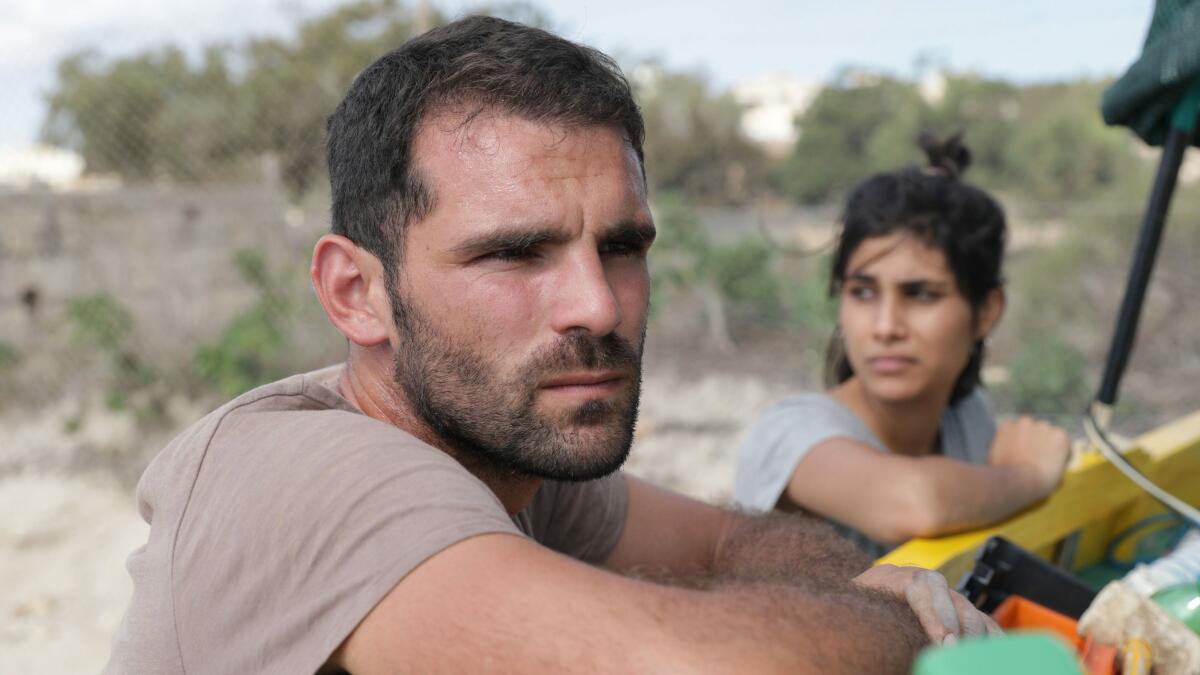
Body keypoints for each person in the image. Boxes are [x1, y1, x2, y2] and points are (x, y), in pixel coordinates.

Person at [104, 18, 997, 675]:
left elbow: (736, 541)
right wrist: (904, 626)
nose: (597, 305)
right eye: (513, 252)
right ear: (357, 292)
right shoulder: (309, 474)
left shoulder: (503, 451)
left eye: (622, 246)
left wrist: (853, 597)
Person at [734, 134, 1073, 559]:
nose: (885, 326)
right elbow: (917, 504)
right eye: (862, 292)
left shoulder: (968, 417)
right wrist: (1029, 475)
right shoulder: (791, 434)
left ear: (986, 310)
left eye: (922, 294)